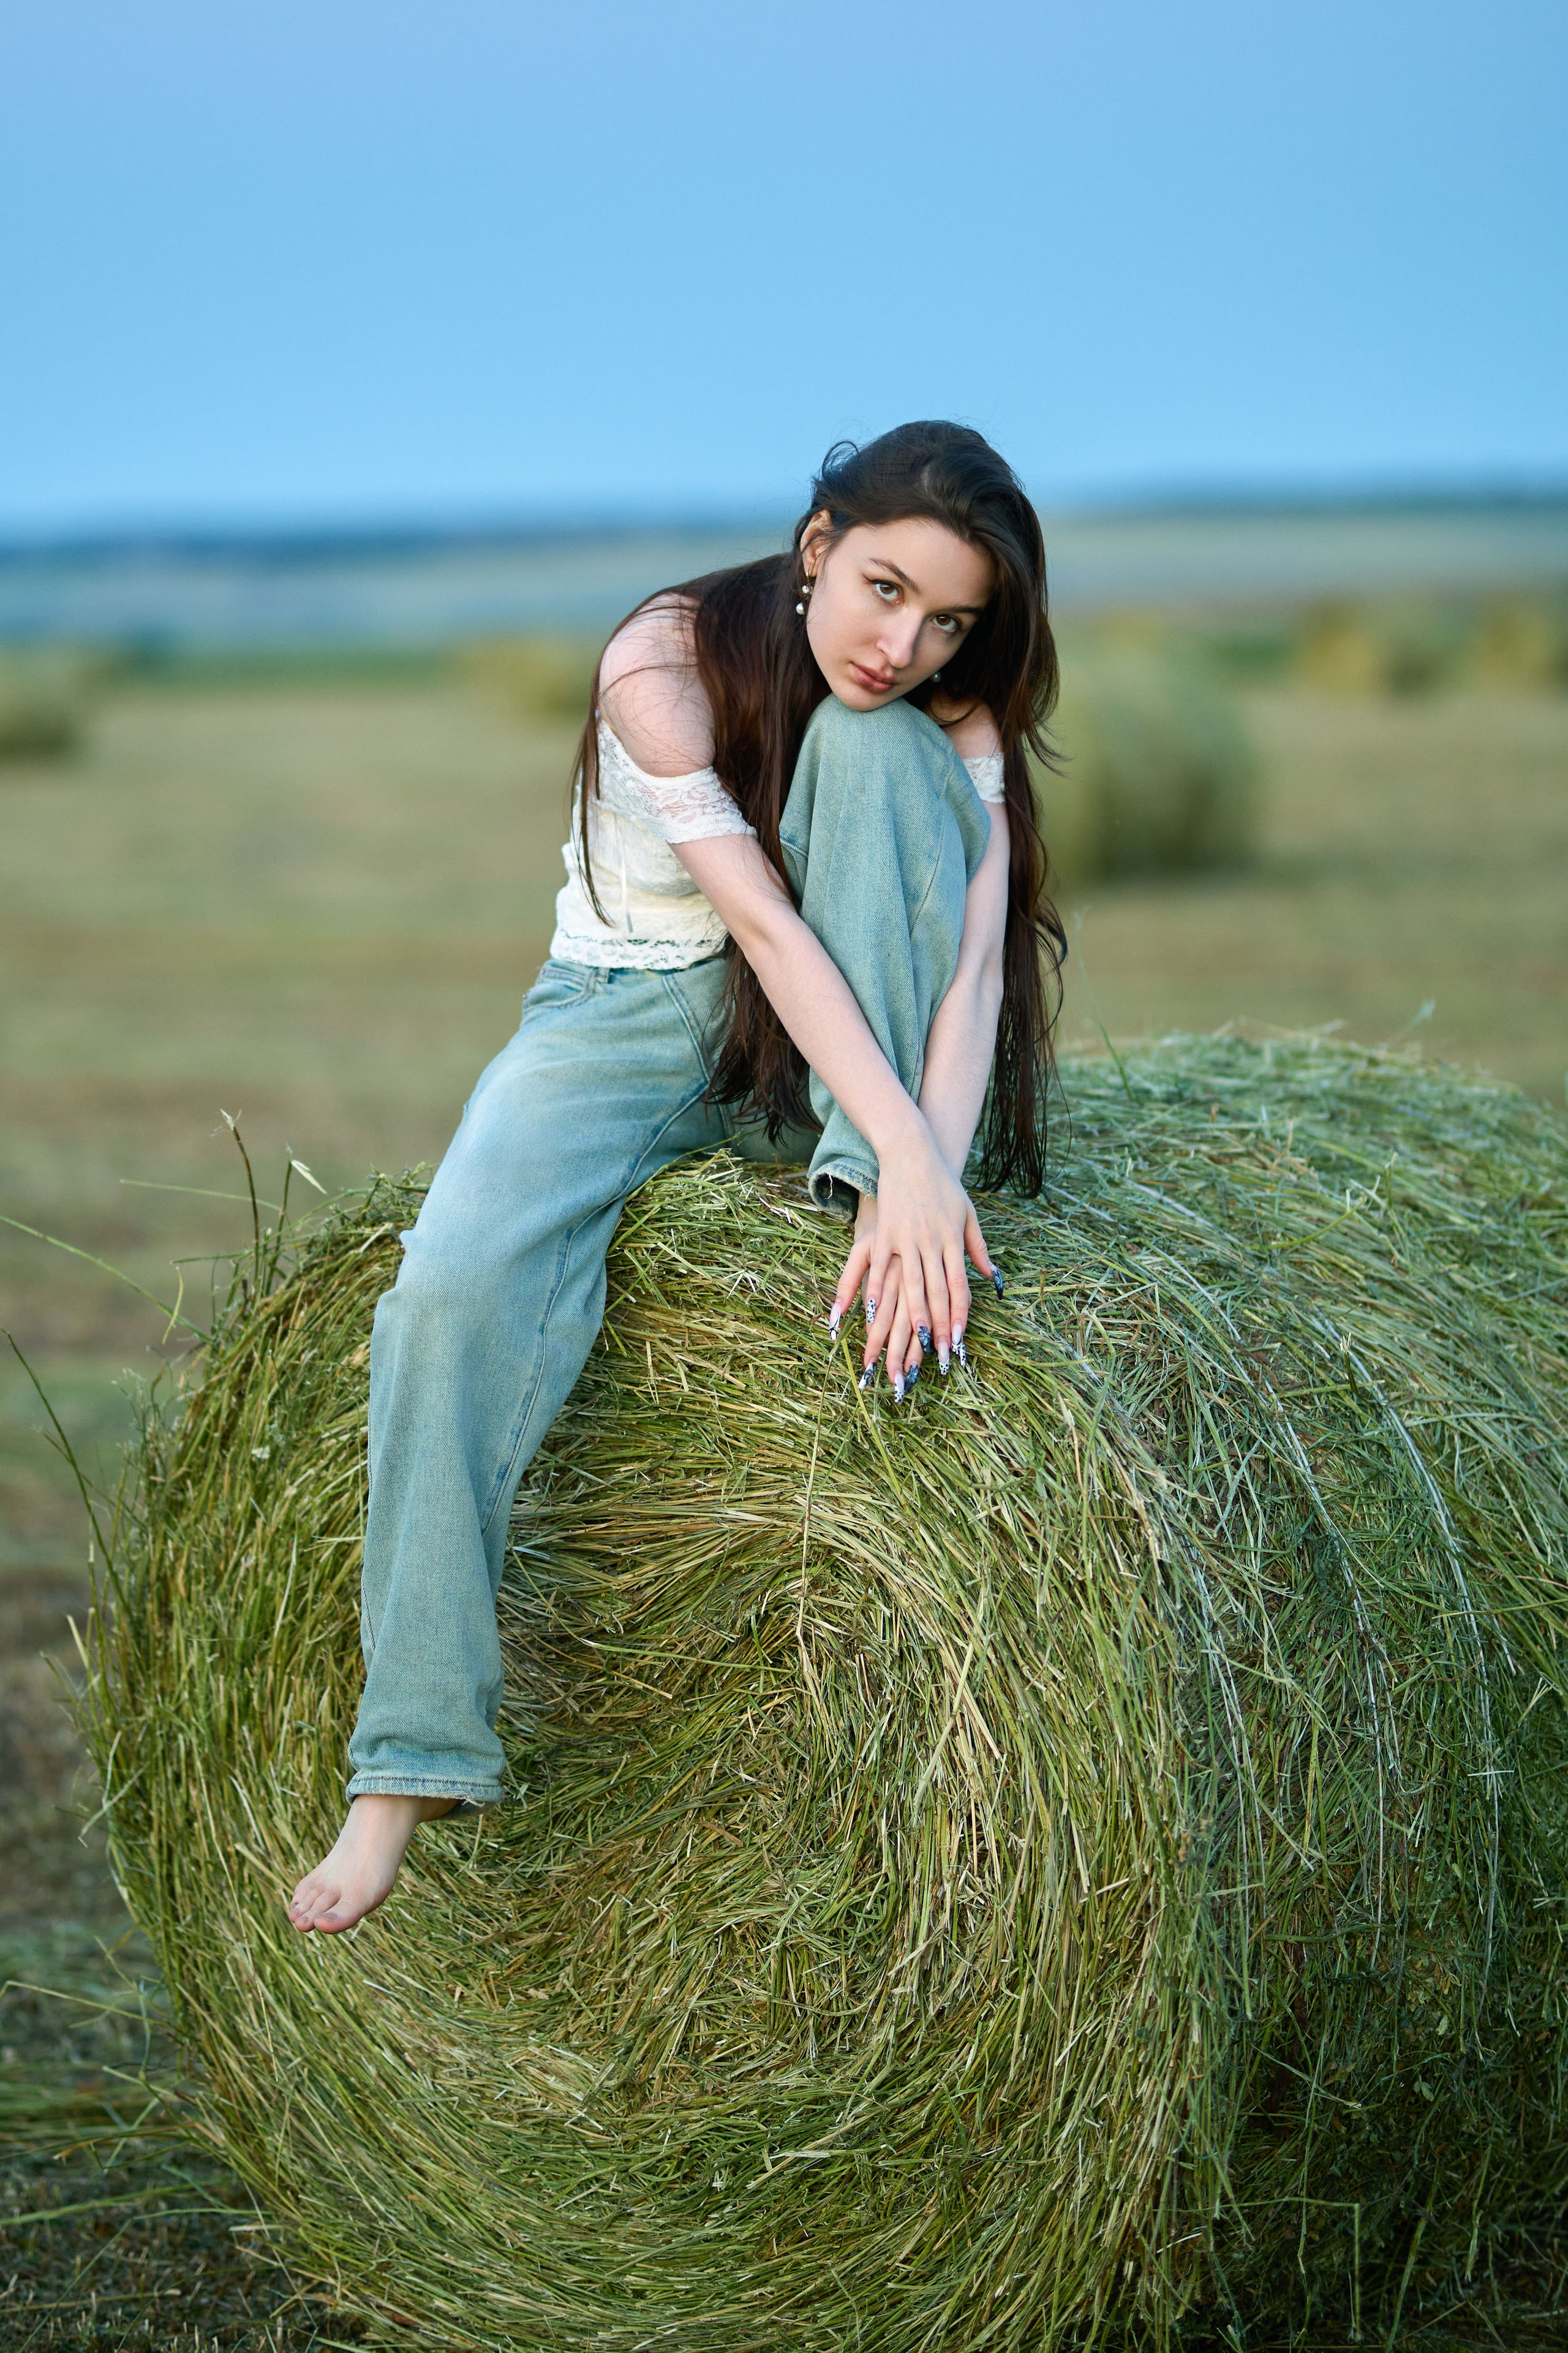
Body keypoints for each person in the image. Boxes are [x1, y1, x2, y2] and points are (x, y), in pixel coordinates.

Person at [287, 420, 1066, 1935]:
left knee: (872, 747)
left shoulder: (930, 712)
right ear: (816, 542)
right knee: (444, 1296)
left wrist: (920, 1167)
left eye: (949, 618)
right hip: (628, 1018)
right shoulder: (658, 661)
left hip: (848, 1029)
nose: (903, 641)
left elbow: (967, 972)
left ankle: (858, 1240)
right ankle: (409, 1757)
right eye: (883, 589)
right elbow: (760, 935)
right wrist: (909, 1143)